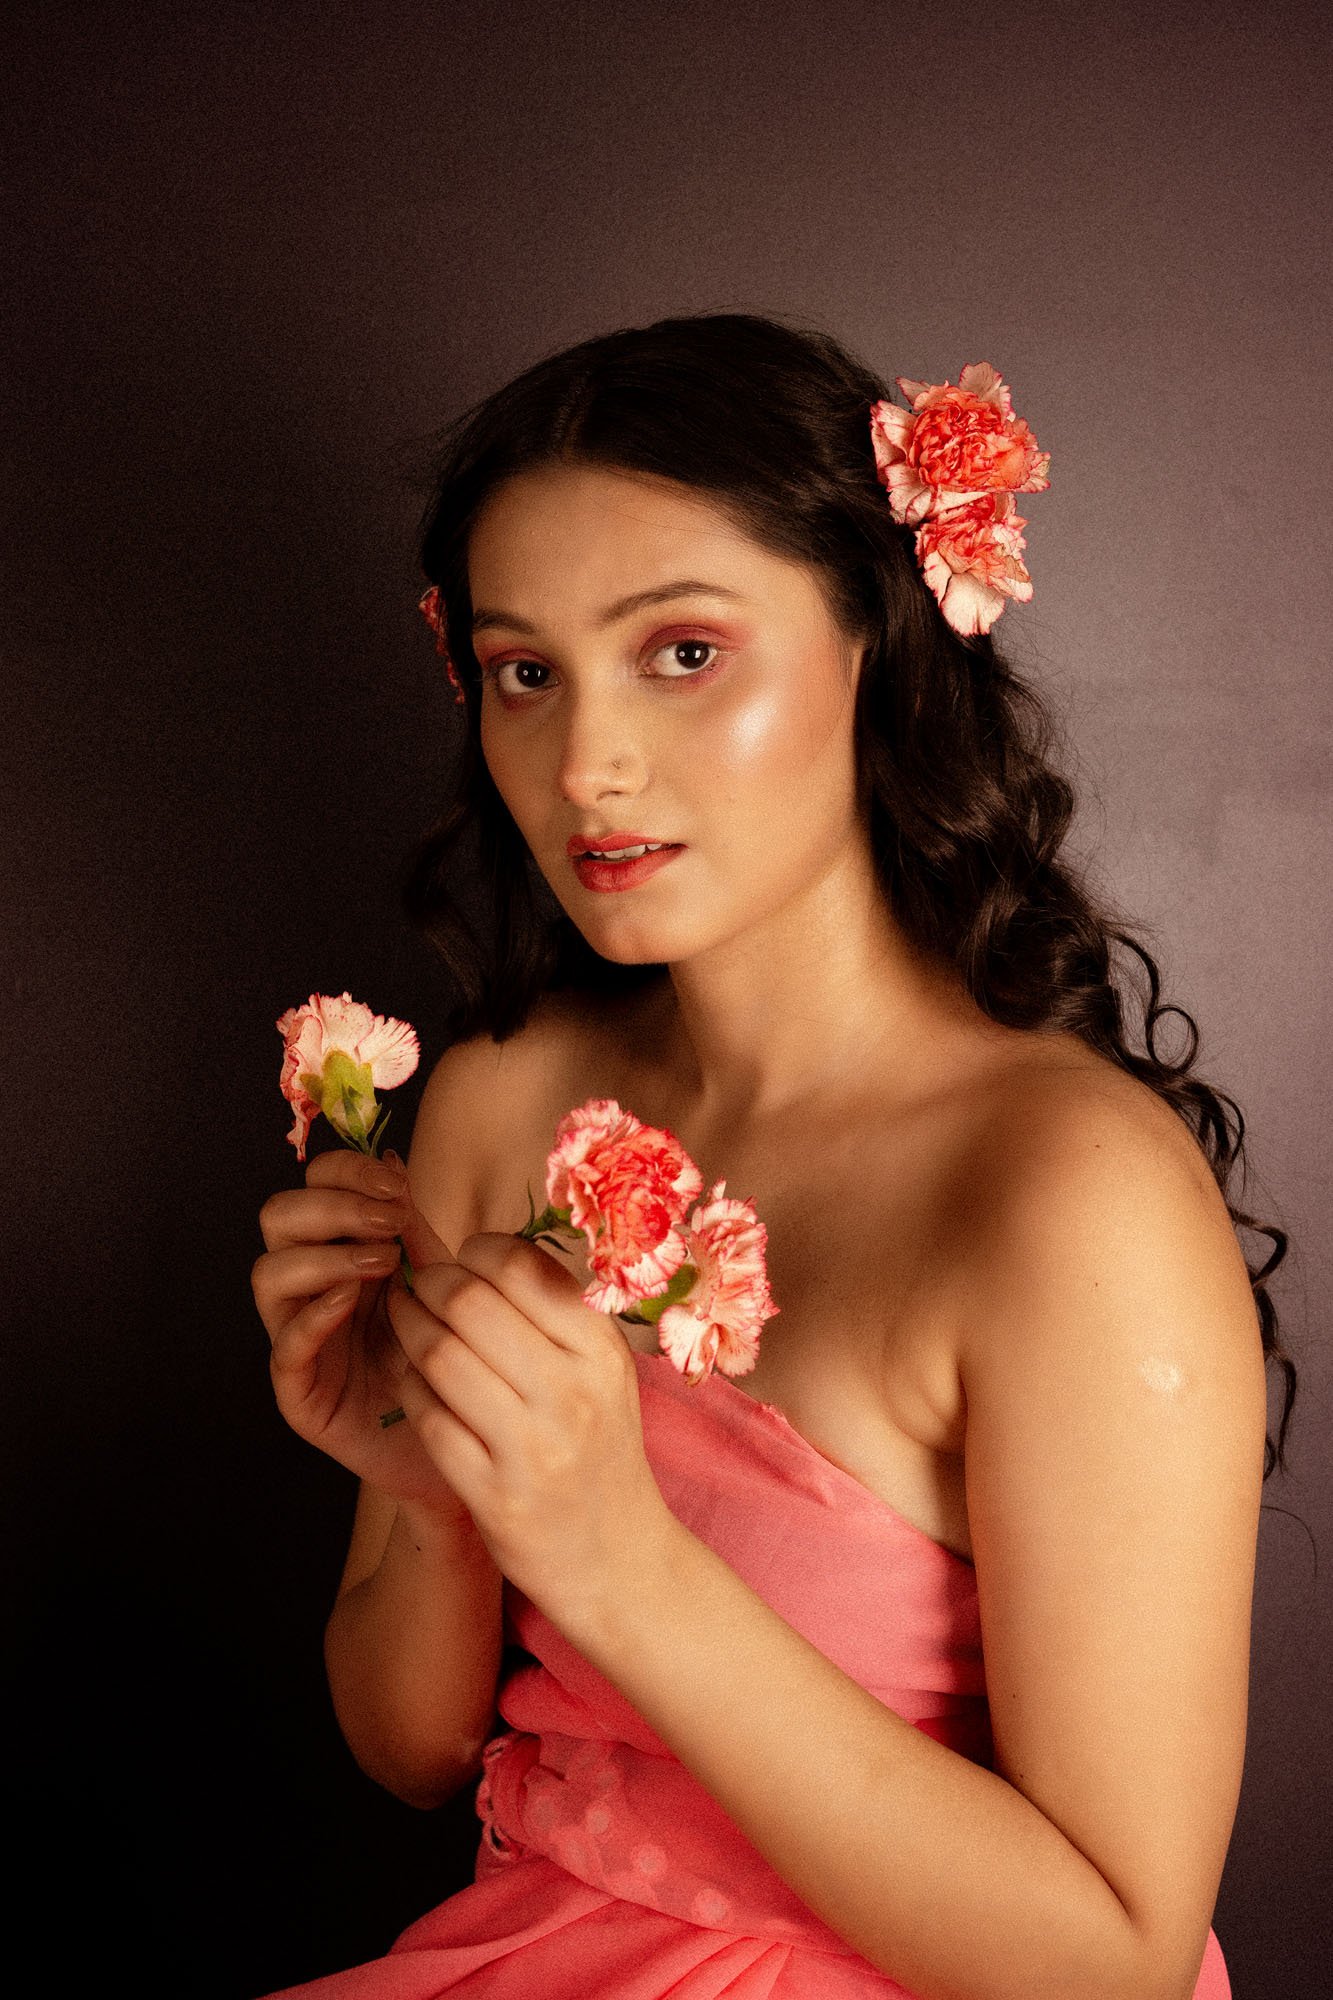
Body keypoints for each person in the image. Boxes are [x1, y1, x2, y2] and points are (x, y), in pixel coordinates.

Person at [250, 312, 1297, 1999]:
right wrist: (426, 1481)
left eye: (681, 652)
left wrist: (619, 1558)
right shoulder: (503, 1100)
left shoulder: (1063, 1196)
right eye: (526, 673)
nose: (584, 766)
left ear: (877, 644)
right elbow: (413, 1752)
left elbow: (1113, 1959)